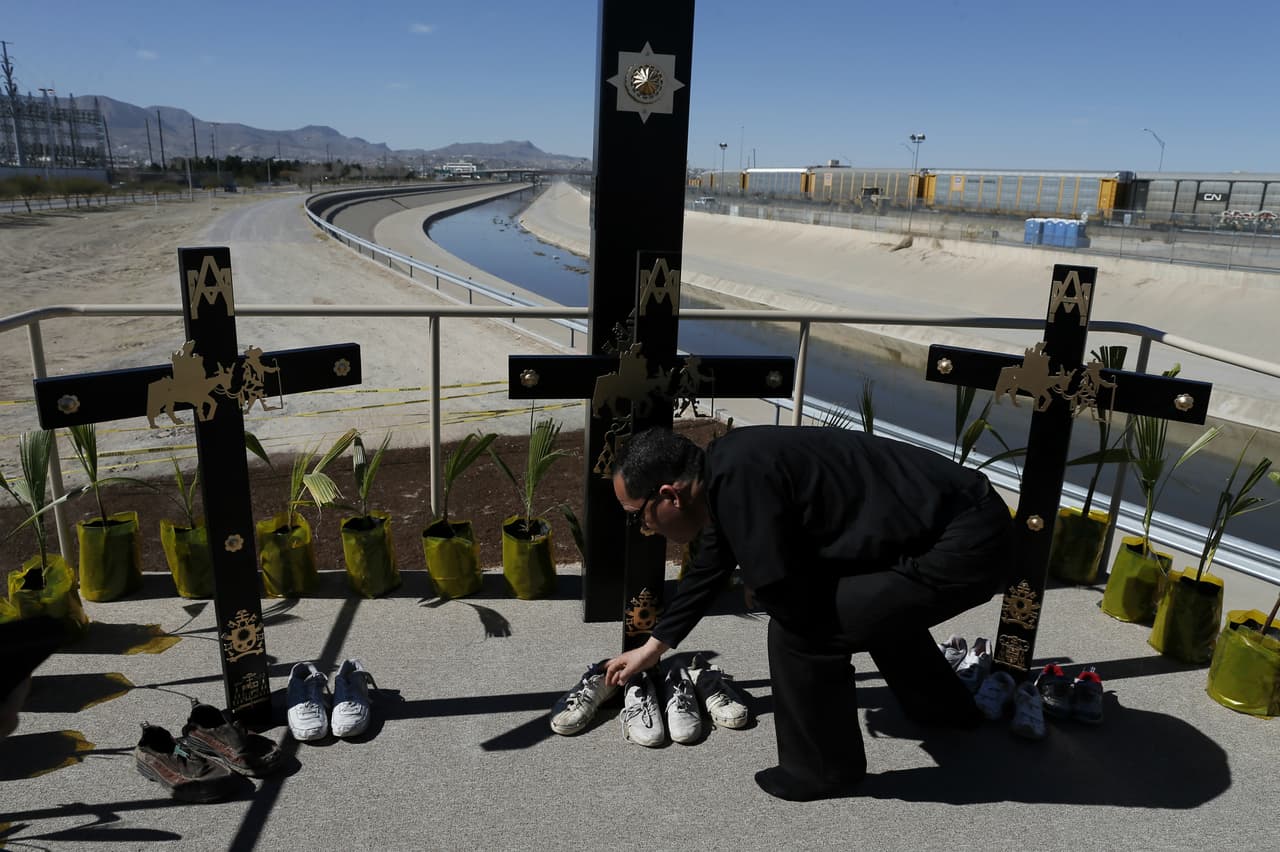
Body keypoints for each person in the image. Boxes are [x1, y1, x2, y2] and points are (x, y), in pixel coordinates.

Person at [604, 425, 1013, 802]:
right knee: (871, 606)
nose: (644, 529)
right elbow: (711, 565)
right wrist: (653, 648)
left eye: (637, 516)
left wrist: (764, 585)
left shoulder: (738, 479)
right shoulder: (729, 467)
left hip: (964, 545)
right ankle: (945, 711)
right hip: (961, 525)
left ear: (670, 495)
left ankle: (823, 770)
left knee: (801, 630)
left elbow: (781, 589)